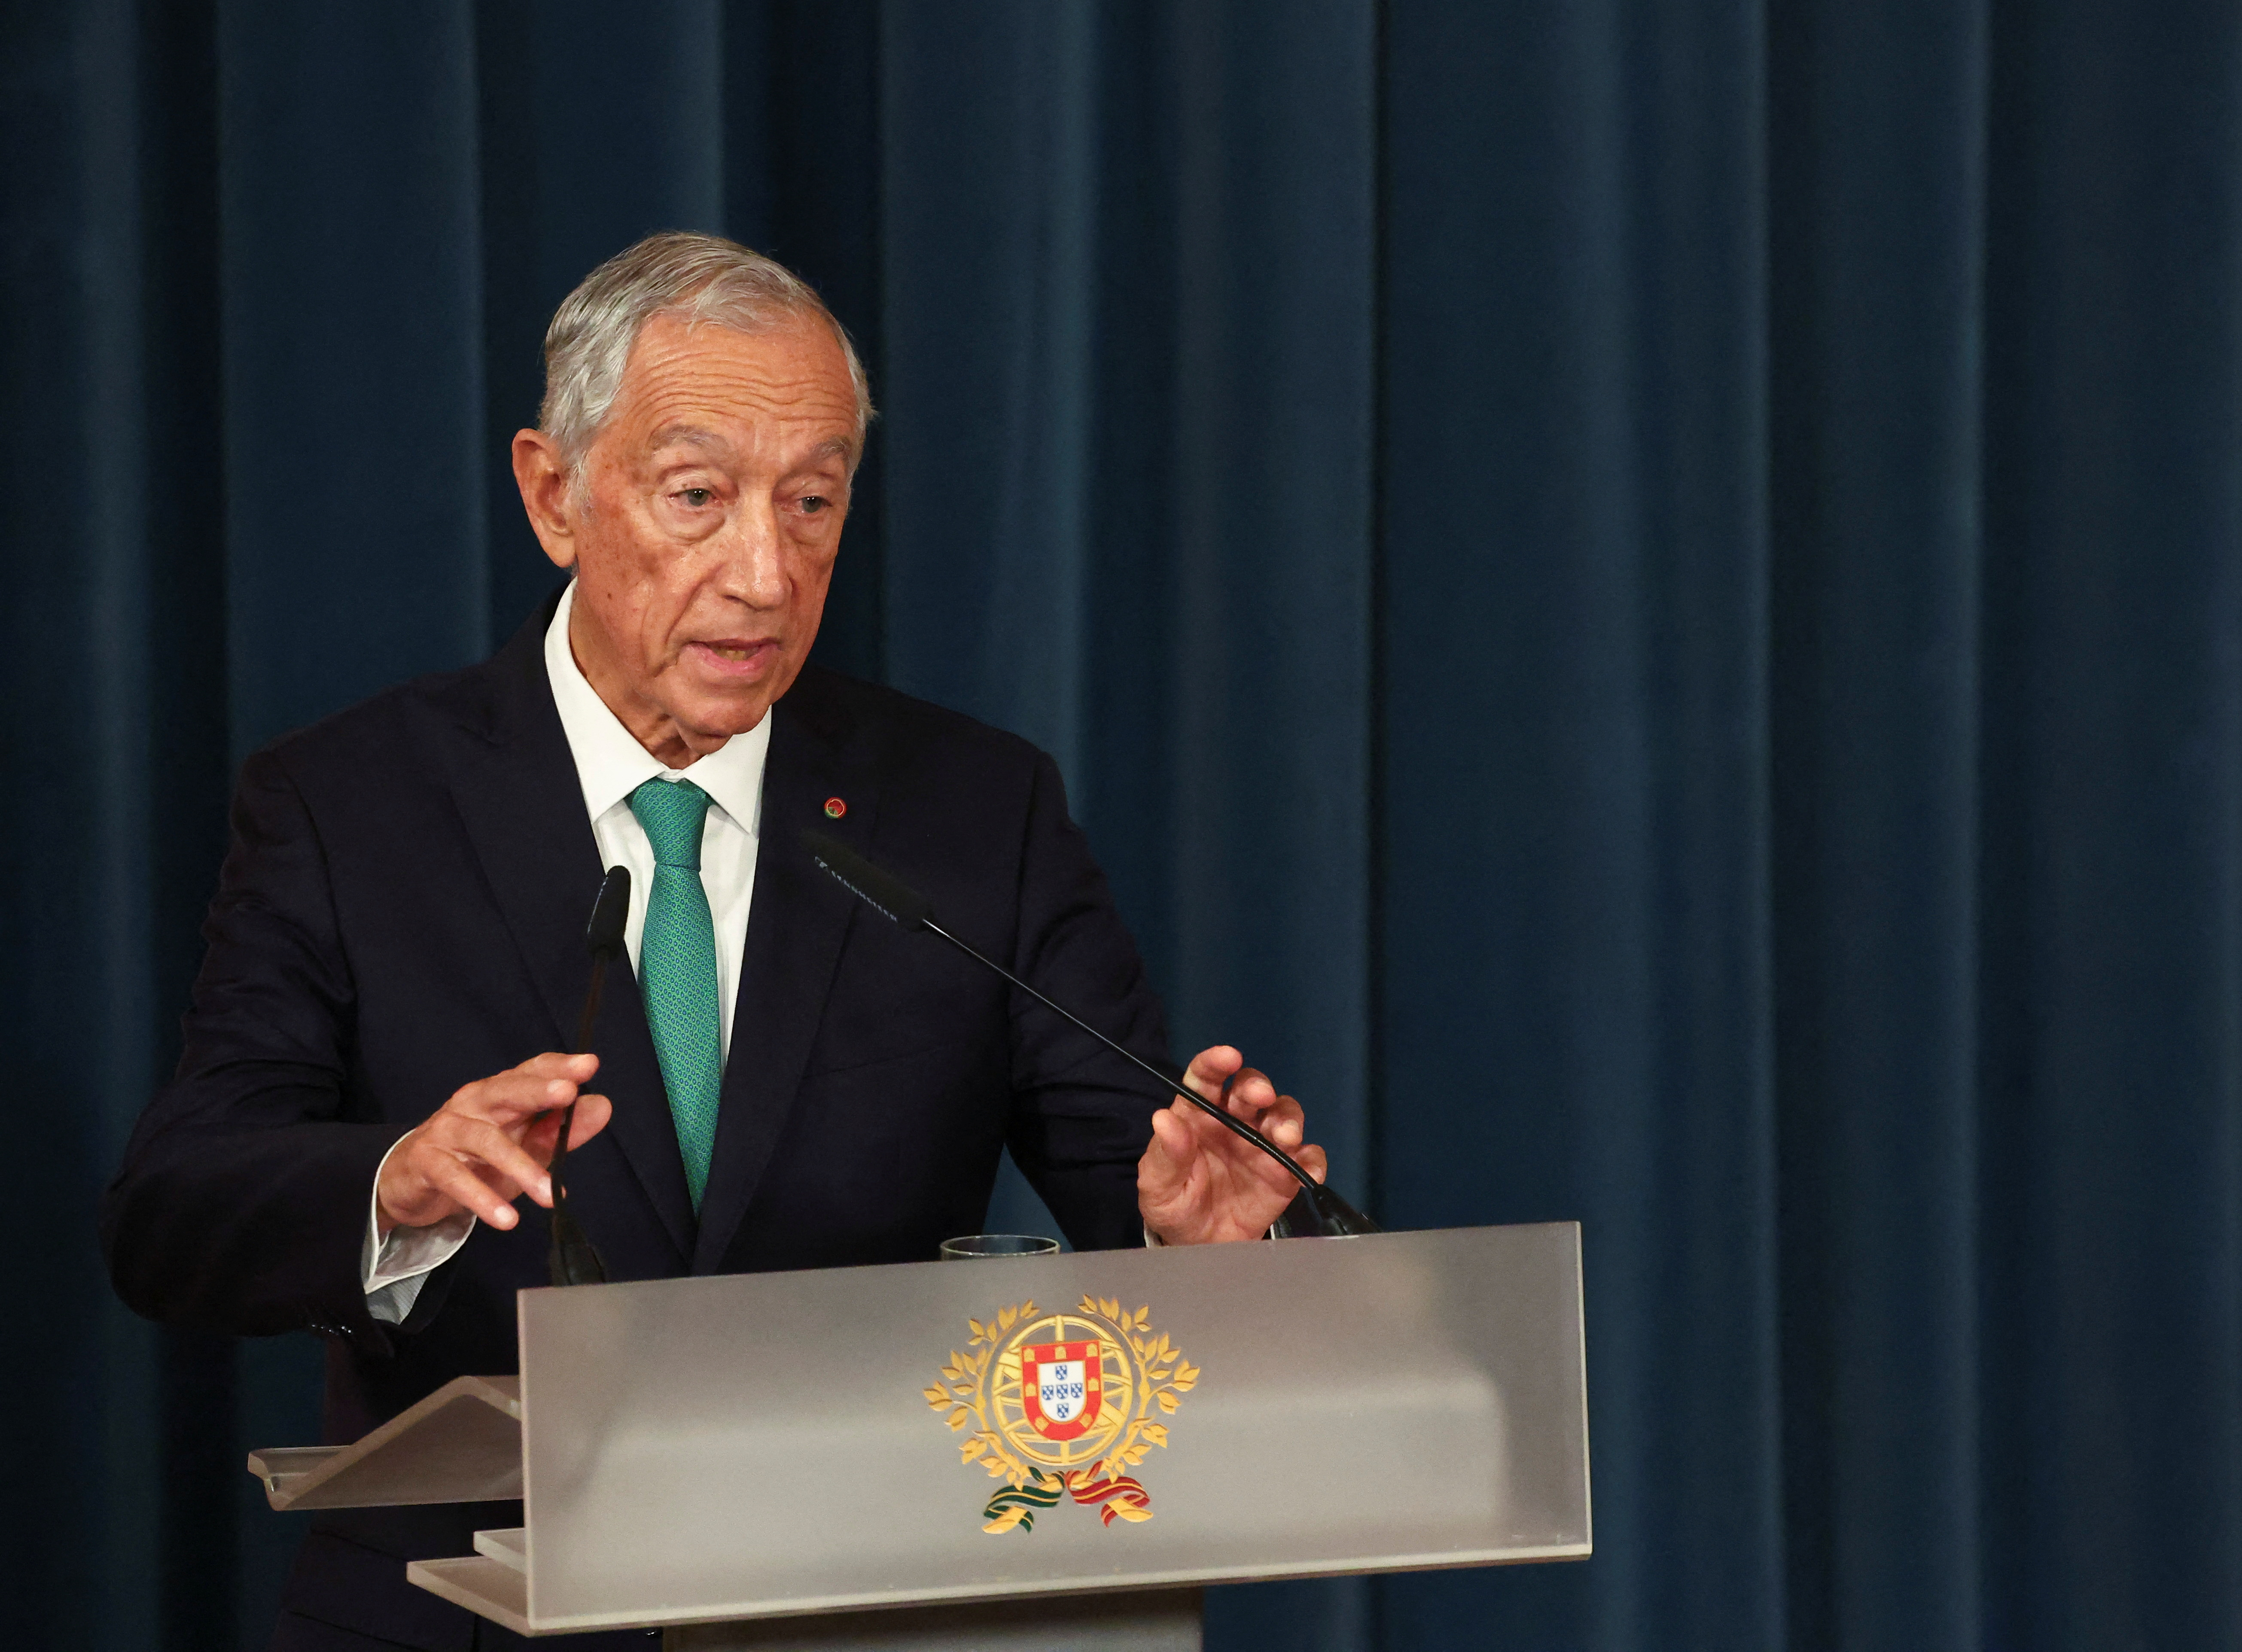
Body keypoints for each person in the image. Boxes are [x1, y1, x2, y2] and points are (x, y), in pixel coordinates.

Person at [100, 232, 1325, 1652]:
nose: (765, 571)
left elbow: (1142, 1175)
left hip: (870, 1609)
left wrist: (1201, 1234)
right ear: (553, 494)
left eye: (812, 502)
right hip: (464, 1616)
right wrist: (394, 1181)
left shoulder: (971, 811)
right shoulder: (348, 805)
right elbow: (171, 1214)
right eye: (699, 496)